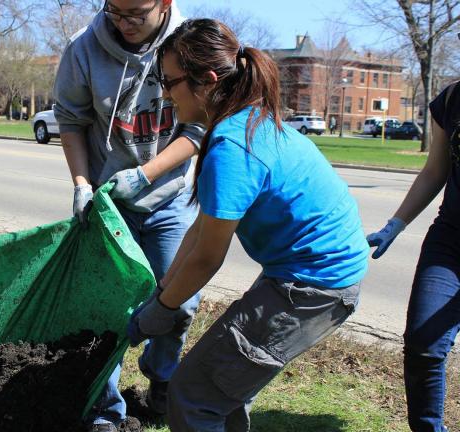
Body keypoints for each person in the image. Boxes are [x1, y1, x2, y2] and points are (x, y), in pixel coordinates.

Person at [127, 19, 369, 431]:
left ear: (205, 80)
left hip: (315, 286)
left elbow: (206, 259)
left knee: (192, 396)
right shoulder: (246, 120)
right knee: (223, 391)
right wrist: (163, 294)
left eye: (170, 82)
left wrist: (161, 312)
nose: (165, 95)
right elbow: (200, 230)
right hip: (310, 275)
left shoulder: (232, 147)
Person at [53, 0, 205, 430]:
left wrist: (144, 175)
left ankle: (162, 377)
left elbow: (198, 126)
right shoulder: (83, 49)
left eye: (137, 14)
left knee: (180, 303)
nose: (125, 24)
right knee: (107, 308)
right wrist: (82, 184)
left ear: (165, 4)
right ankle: (106, 411)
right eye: (116, 12)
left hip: (170, 199)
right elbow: (70, 120)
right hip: (109, 203)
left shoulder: (188, 43)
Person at [367, 78, 460, 432]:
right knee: (423, 345)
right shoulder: (452, 99)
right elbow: (436, 170)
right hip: (450, 240)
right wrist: (396, 223)